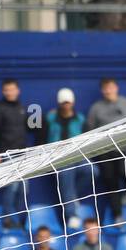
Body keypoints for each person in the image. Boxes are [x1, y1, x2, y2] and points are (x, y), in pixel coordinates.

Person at [85, 78, 126, 222]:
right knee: (111, 183)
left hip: (125, 148)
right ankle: (117, 215)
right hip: (105, 152)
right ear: (102, 91)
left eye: (110, 87)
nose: (108, 90)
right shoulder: (96, 108)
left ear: (116, 87)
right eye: (105, 88)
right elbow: (90, 129)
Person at [0, 78, 32, 227]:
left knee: (24, 188)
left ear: (17, 90)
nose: (9, 92)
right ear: (3, 91)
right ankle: (8, 218)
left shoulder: (22, 107)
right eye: (6, 90)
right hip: (6, 154)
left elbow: (32, 128)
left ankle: (19, 219)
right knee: (12, 186)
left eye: (12, 89)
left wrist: (38, 118)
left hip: (22, 155)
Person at [45, 88, 86, 227]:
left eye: (68, 102)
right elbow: (41, 135)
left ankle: (71, 198)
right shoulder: (50, 118)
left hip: (77, 155)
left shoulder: (80, 118)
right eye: (63, 102)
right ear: (59, 103)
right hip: (57, 157)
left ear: (72, 102)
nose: (65, 105)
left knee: (92, 170)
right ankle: (72, 214)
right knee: (66, 171)